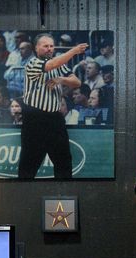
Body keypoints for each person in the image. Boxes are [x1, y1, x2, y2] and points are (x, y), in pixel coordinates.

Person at [18, 34, 88, 179]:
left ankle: (64, 193)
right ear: (36, 48)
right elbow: (51, 65)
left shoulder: (59, 65)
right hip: (34, 120)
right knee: (29, 164)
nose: (49, 49)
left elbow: (77, 83)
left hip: (55, 118)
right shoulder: (32, 63)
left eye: (51, 46)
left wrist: (61, 79)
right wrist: (74, 51)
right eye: (45, 46)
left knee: (64, 161)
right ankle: (23, 196)